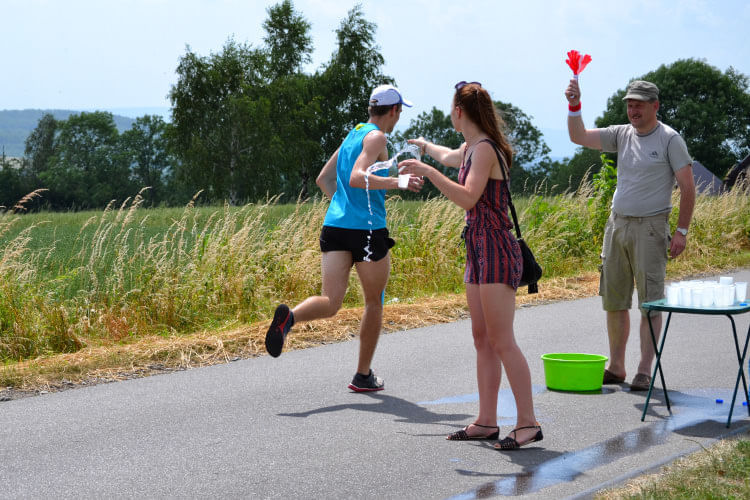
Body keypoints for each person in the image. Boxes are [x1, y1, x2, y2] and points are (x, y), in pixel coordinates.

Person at [399, 81, 542, 450]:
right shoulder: (470, 148)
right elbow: (449, 156)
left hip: (493, 244)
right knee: (482, 339)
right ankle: (486, 421)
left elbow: (467, 197)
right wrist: (426, 149)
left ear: (459, 111)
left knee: (501, 340)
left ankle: (527, 423)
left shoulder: (485, 151)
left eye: (451, 107)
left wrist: (427, 173)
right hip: (476, 246)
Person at [264, 84, 424, 392]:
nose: (400, 115)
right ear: (394, 111)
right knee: (374, 302)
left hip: (335, 225)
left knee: (331, 301)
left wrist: (344, 207)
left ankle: (290, 318)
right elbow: (354, 176)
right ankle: (363, 375)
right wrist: (398, 181)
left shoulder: (353, 134)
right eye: (400, 110)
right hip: (367, 229)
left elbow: (324, 179)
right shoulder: (377, 136)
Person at [564, 78, 696, 390]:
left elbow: (688, 189)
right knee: (614, 300)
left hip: (651, 227)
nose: (632, 109)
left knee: (650, 302)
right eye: (629, 103)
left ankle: (644, 369)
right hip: (617, 225)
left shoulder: (669, 139)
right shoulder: (622, 134)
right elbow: (579, 136)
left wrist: (681, 231)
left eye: (638, 103)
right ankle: (617, 366)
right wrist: (574, 104)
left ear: (655, 106)